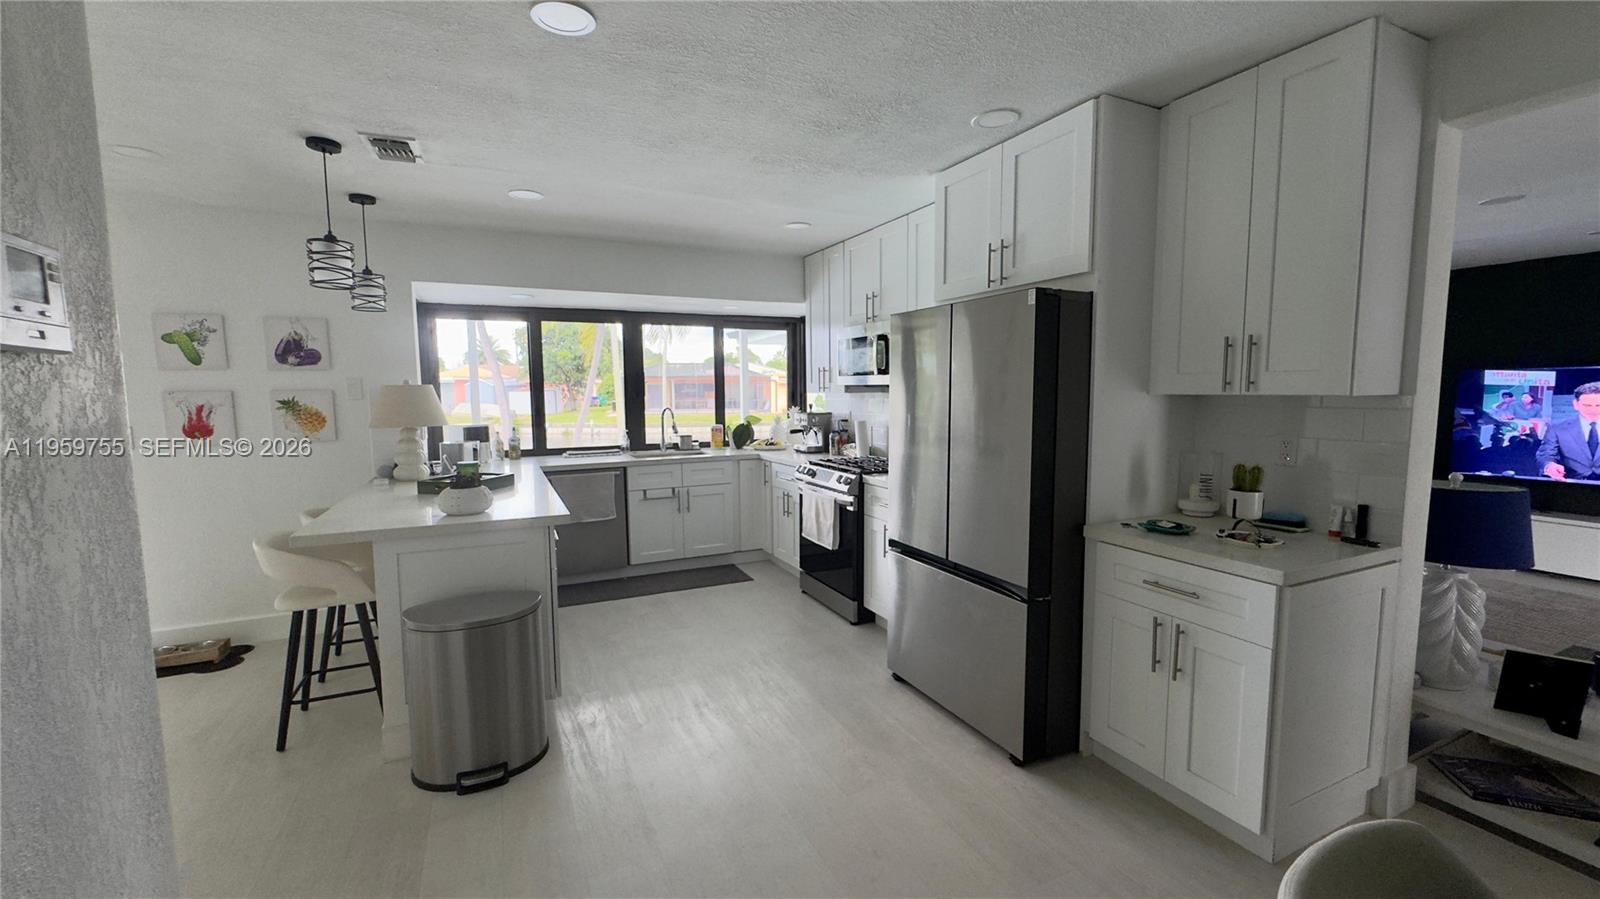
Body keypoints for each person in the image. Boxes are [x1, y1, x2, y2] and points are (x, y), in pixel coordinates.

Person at [1536, 382, 1600, 481]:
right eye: (1587, 406)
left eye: (1598, 405)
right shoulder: (1557, 427)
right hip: (1571, 486)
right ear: (1576, 404)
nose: (1593, 411)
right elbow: (1546, 454)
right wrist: (1549, 466)